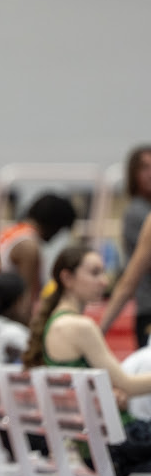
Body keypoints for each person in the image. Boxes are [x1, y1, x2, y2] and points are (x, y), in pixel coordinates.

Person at [23, 244, 151, 476]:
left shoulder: (54, 323)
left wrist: (111, 393)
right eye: (94, 273)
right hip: (114, 444)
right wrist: (117, 391)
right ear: (67, 278)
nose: (103, 281)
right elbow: (128, 385)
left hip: (91, 445)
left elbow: (119, 387)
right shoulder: (80, 327)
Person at [0, 192, 77, 325]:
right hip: (7, 322)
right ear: (54, 224)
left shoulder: (9, 232)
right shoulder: (29, 246)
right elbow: (24, 301)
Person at [99, 145, 151, 347]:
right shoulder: (138, 214)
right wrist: (102, 328)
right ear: (133, 174)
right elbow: (132, 275)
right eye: (144, 168)